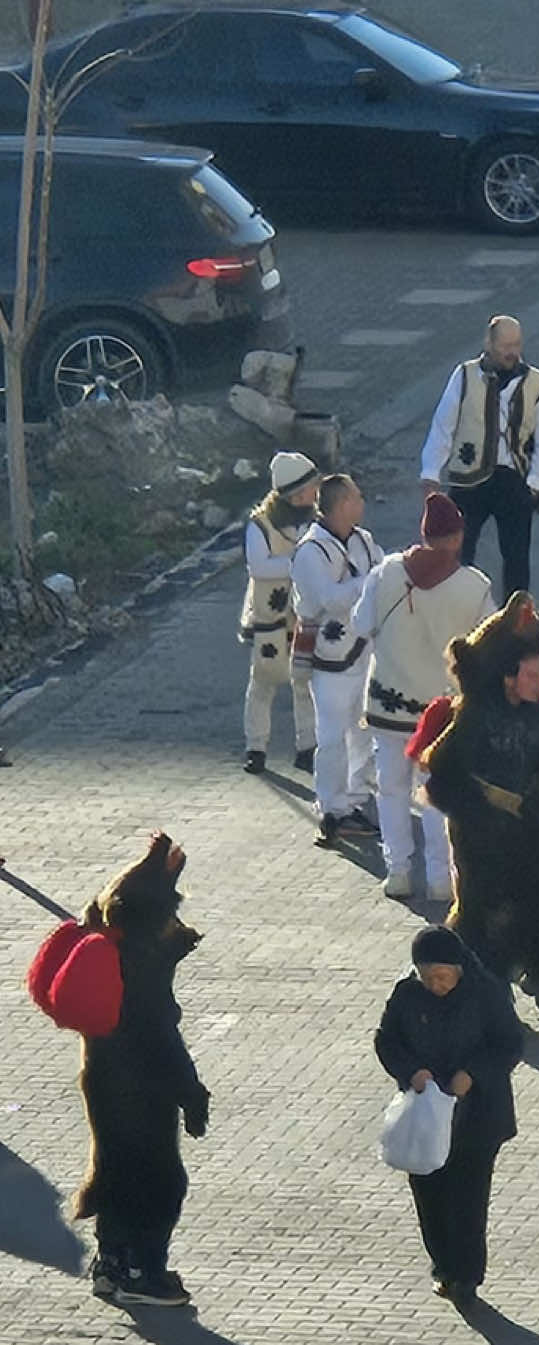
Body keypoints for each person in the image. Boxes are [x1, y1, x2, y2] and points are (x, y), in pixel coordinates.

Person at [423, 592, 539, 1013]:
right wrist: (478, 814)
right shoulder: (473, 717)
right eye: (533, 675)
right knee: (484, 913)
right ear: (508, 677)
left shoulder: (532, 714)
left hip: (528, 826)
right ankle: (489, 988)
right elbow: (440, 775)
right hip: (481, 835)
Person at [73, 833, 210, 1307]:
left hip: (103, 1082)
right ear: (154, 921)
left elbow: (131, 900)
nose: (177, 923)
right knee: (161, 1180)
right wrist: (193, 1095)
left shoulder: (110, 941)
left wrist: (161, 867)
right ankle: (143, 1272)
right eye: (171, 916)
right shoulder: (144, 973)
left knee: (114, 1170)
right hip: (143, 1089)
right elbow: (163, 1042)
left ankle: (110, 1263)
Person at [352, 494, 497, 901]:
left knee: (392, 789)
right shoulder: (474, 586)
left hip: (386, 705)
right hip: (441, 712)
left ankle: (397, 872)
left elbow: (361, 624)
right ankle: (440, 880)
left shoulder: (384, 574)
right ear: (458, 537)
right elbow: (489, 646)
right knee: (436, 797)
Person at [375, 924, 524, 1306]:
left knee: (469, 1199)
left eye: (442, 976)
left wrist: (472, 1074)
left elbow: (509, 1044)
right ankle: (443, 1267)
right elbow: (386, 1040)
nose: (436, 984)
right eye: (428, 977)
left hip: (477, 1118)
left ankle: (467, 1276)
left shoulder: (485, 993)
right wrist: (412, 1072)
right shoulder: (407, 994)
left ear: (459, 968)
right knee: (430, 1197)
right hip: (425, 1118)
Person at [420, 315, 539, 602]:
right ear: (489, 343)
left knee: (517, 564)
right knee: (456, 557)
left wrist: (533, 483)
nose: (512, 351)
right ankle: (456, 615)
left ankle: (515, 627)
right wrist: (431, 471)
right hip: (469, 479)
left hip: (514, 481)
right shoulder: (465, 375)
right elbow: (443, 425)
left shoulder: (537, 383)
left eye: (516, 344)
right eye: (505, 345)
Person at [291, 474, 383, 845]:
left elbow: (382, 576)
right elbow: (329, 599)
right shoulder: (311, 551)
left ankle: (357, 796)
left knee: (363, 728)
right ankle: (331, 807)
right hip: (329, 656)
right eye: (357, 497)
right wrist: (369, 583)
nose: (362, 502)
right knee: (331, 734)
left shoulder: (364, 540)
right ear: (342, 504)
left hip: (364, 649)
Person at [239, 451, 320, 775]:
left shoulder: (315, 521)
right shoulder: (260, 524)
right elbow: (259, 567)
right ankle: (255, 747)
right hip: (269, 618)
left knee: (304, 683)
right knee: (263, 682)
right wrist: (299, 564)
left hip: (301, 616)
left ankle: (307, 747)